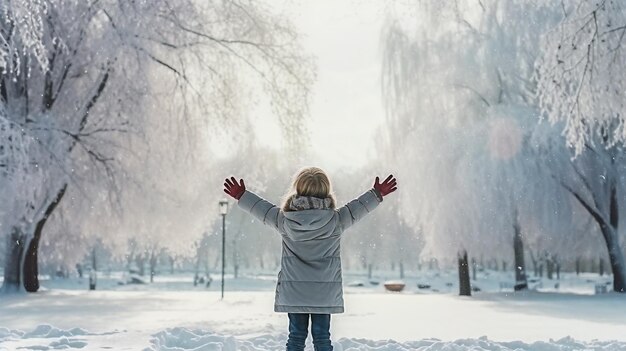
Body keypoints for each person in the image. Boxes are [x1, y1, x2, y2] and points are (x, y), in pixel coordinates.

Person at [223, 167, 397, 351]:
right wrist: (377, 194)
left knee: (296, 338)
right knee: (322, 338)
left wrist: (242, 195)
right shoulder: (336, 220)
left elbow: (264, 211)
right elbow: (357, 209)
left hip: (295, 292)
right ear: (325, 190)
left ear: (298, 188)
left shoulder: (285, 220)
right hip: (324, 292)